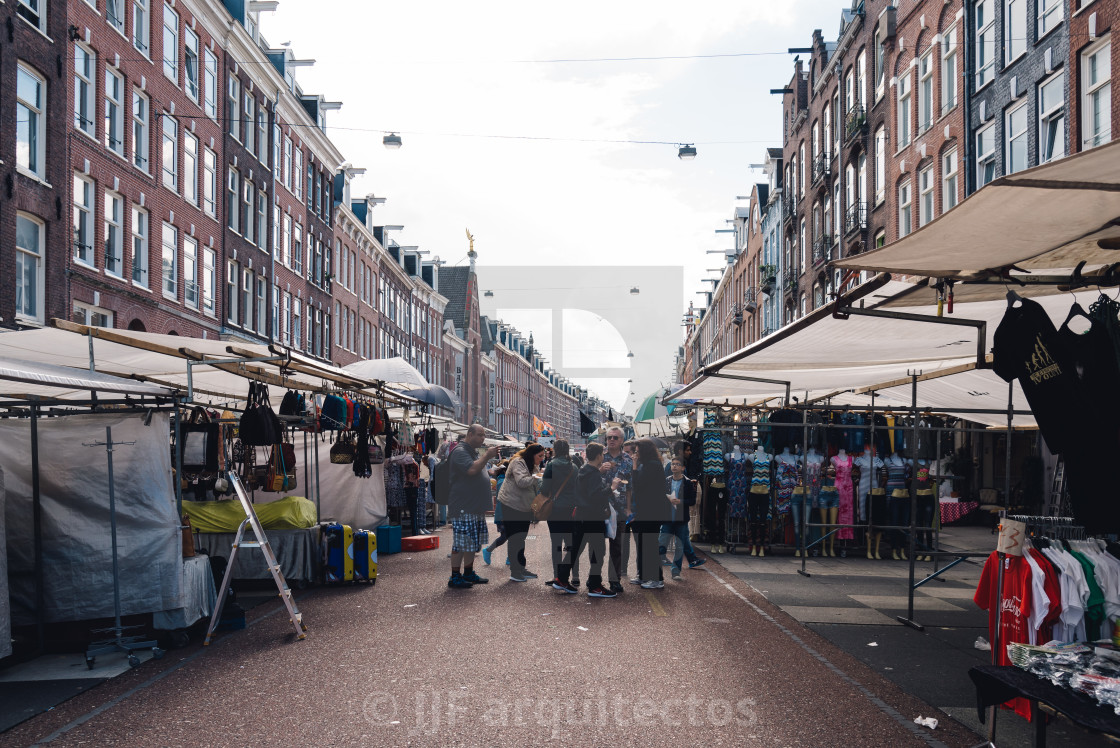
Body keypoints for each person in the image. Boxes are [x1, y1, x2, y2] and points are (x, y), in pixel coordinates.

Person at [447, 425, 500, 589]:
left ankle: (468, 572)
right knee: (461, 543)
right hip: (463, 506)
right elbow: (471, 469)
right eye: (479, 435)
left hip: (473, 506)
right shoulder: (460, 451)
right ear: (469, 434)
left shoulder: (471, 451)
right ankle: (455, 576)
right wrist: (487, 456)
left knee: (471, 542)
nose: (483, 438)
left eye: (484, 435)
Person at [574, 442, 619, 598]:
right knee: (599, 551)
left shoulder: (584, 470)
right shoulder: (592, 473)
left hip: (583, 515)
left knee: (578, 549)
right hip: (593, 516)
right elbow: (596, 496)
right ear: (599, 455)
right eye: (602, 453)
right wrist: (611, 488)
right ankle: (594, 585)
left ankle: (563, 578)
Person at [496, 443, 545, 582]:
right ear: (532, 454)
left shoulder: (532, 464)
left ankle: (521, 568)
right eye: (540, 456)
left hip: (523, 506)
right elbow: (522, 482)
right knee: (514, 538)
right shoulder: (518, 462)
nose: (542, 458)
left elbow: (535, 484)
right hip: (511, 505)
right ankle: (515, 572)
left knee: (521, 537)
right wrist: (537, 476)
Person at [631, 438, 673, 589]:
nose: (635, 454)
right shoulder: (648, 464)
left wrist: (634, 467)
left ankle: (657, 579)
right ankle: (643, 575)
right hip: (646, 510)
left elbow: (638, 485)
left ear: (644, 451)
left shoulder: (652, 465)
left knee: (650, 545)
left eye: (637, 451)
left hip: (651, 511)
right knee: (643, 544)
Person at [542, 440, 582, 592]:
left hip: (556, 509)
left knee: (556, 544)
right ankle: (575, 576)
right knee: (572, 544)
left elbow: (545, 488)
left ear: (554, 450)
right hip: (572, 509)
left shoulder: (551, 465)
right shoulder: (574, 467)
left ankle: (557, 576)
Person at [662, 457, 706, 579]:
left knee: (679, 546)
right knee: (662, 543)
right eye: (673, 464)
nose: (674, 466)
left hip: (681, 519)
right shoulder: (666, 481)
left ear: (683, 468)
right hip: (667, 518)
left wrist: (680, 501)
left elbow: (692, 500)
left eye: (677, 464)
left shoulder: (687, 482)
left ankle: (675, 571)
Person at [602, 427, 634, 594]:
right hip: (600, 506)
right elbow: (587, 479)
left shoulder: (628, 460)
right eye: (609, 437)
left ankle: (614, 580)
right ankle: (595, 580)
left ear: (622, 440)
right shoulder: (599, 457)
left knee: (617, 547)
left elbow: (630, 488)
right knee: (598, 545)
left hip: (620, 508)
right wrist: (601, 469)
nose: (611, 440)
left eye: (615, 437)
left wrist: (629, 508)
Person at [481, 460, 510, 566]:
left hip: (503, 513)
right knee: (506, 536)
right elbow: (504, 500)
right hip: (504, 514)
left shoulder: (502, 480)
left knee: (508, 536)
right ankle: (488, 550)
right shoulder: (503, 481)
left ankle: (509, 558)